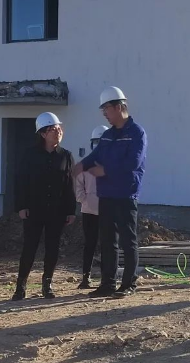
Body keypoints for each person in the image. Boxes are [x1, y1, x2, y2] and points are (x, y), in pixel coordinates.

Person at [72, 86, 147, 299]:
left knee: (128, 241)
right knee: (107, 241)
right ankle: (108, 284)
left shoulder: (136, 133)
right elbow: (95, 155)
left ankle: (129, 284)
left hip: (125, 195)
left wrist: (105, 171)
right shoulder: (107, 135)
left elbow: (133, 162)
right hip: (105, 195)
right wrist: (80, 166)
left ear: (119, 107)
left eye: (106, 108)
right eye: (103, 109)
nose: (104, 113)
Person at [12, 112, 76, 300]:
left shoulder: (66, 156)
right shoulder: (30, 155)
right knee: (29, 247)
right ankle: (21, 285)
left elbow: (69, 185)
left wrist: (71, 210)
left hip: (56, 210)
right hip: (34, 209)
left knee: (52, 248)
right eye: (53, 129)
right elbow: (21, 181)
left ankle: (47, 284)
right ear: (42, 133)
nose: (58, 132)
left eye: (59, 128)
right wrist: (21, 206)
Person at [75, 124, 108, 289]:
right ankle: (86, 277)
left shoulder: (111, 165)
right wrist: (85, 200)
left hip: (107, 211)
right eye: (96, 142)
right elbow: (78, 187)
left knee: (107, 245)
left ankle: (106, 278)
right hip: (89, 211)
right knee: (90, 244)